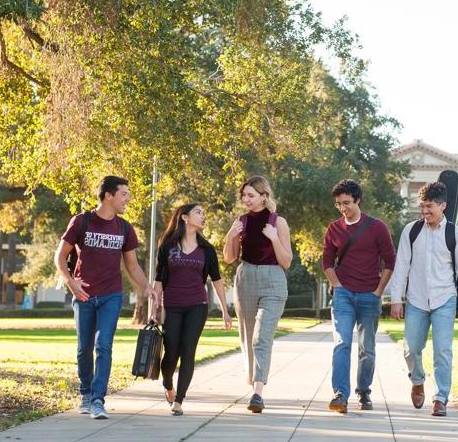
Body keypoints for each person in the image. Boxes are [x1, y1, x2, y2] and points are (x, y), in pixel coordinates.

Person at [55, 176, 158, 420]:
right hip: (83, 295)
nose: (127, 198)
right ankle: (86, 393)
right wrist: (71, 282)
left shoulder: (124, 228)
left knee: (104, 346)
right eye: (124, 194)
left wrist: (148, 287)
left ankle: (98, 400)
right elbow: (60, 257)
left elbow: (132, 266)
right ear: (109, 195)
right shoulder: (82, 221)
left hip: (112, 295)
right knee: (84, 349)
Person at [390, 182, 458, 417]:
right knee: (411, 349)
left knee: (443, 351)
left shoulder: (456, 235)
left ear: (443, 206)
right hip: (416, 299)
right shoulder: (411, 231)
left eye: (430, 207)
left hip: (444, 299)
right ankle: (417, 380)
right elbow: (402, 266)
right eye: (422, 207)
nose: (425, 212)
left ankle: (440, 398)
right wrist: (396, 298)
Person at [323, 179, 396, 414]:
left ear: (358, 200)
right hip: (344, 295)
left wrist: (378, 291)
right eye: (338, 204)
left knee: (367, 348)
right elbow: (326, 262)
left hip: (369, 296)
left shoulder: (377, 227)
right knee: (342, 343)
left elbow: (390, 261)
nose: (343, 208)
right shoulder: (334, 229)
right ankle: (340, 394)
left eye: (346, 203)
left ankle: (363, 391)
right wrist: (337, 285)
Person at [154, 203, 232, 416]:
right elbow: (159, 279)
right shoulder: (167, 245)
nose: (203, 216)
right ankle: (168, 385)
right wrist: (155, 306)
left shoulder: (206, 249)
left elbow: (216, 280)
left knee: (188, 352)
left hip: (197, 305)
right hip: (172, 305)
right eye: (199, 212)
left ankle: (179, 401)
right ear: (185, 217)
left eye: (203, 213)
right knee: (171, 353)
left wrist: (225, 310)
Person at [223, 176, 292, 413]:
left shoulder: (278, 222)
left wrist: (273, 238)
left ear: (264, 196)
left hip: (273, 280)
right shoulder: (240, 221)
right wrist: (230, 235)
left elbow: (286, 261)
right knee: (248, 337)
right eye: (244, 196)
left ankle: (257, 392)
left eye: (251, 195)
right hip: (246, 278)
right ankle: (254, 381)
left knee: (261, 337)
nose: (246, 200)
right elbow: (229, 258)